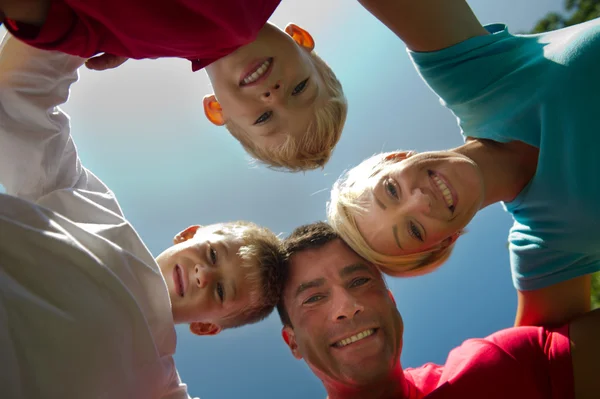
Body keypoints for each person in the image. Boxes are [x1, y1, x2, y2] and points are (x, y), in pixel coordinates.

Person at [0, 33, 284, 398]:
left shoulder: (159, 387)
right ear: (188, 234)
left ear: (206, 327)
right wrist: (100, 25)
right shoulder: (93, 211)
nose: (202, 274)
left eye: (220, 289)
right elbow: (18, 100)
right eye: (213, 254)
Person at [327, 0, 600, 327]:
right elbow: (541, 366)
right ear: (444, 242)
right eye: (414, 230)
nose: (419, 201)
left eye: (391, 189)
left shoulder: (476, 77)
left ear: (395, 157)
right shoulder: (546, 251)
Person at [0, 0, 347, 171]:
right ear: (300, 38)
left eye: (264, 118)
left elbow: (44, 20)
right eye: (300, 89)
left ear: (217, 110)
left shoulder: (128, 43)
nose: (273, 96)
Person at [277, 221, 598, 399]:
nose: (346, 307)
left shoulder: (501, 368)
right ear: (292, 342)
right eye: (313, 298)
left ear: (391, 302)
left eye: (360, 280)